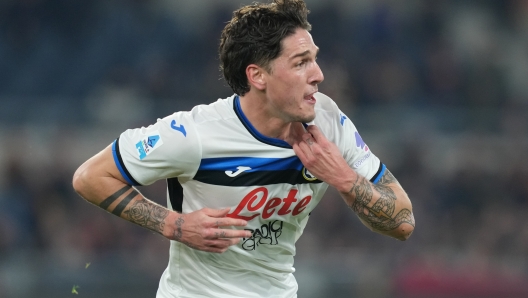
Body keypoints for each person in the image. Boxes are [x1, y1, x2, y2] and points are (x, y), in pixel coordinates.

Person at [72, 0, 415, 297]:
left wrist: (344, 178)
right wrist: (175, 226)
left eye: (315, 59)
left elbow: (403, 222)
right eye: (301, 62)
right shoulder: (195, 134)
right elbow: (90, 176)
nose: (319, 74)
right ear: (258, 76)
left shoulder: (328, 123)